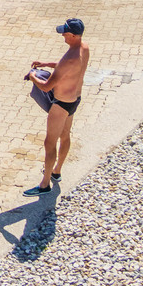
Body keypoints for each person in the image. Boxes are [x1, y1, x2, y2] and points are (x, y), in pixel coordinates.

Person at [27, 17, 88, 194]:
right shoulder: (84, 48)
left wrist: (32, 76)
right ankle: (57, 171)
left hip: (61, 104)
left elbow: (46, 86)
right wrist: (46, 64)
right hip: (75, 100)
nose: (63, 36)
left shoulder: (70, 57)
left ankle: (45, 184)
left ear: (73, 35)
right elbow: (66, 68)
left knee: (49, 143)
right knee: (65, 136)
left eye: (65, 33)